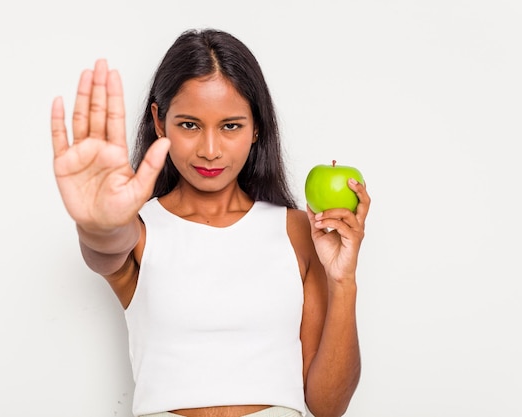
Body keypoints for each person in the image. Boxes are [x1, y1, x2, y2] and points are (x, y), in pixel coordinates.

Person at [51, 28, 370, 417]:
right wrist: (97, 223)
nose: (210, 149)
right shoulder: (140, 230)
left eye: (231, 126)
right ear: (159, 121)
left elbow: (327, 406)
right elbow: (105, 247)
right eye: (189, 125)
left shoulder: (297, 231)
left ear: (257, 127)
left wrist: (343, 281)